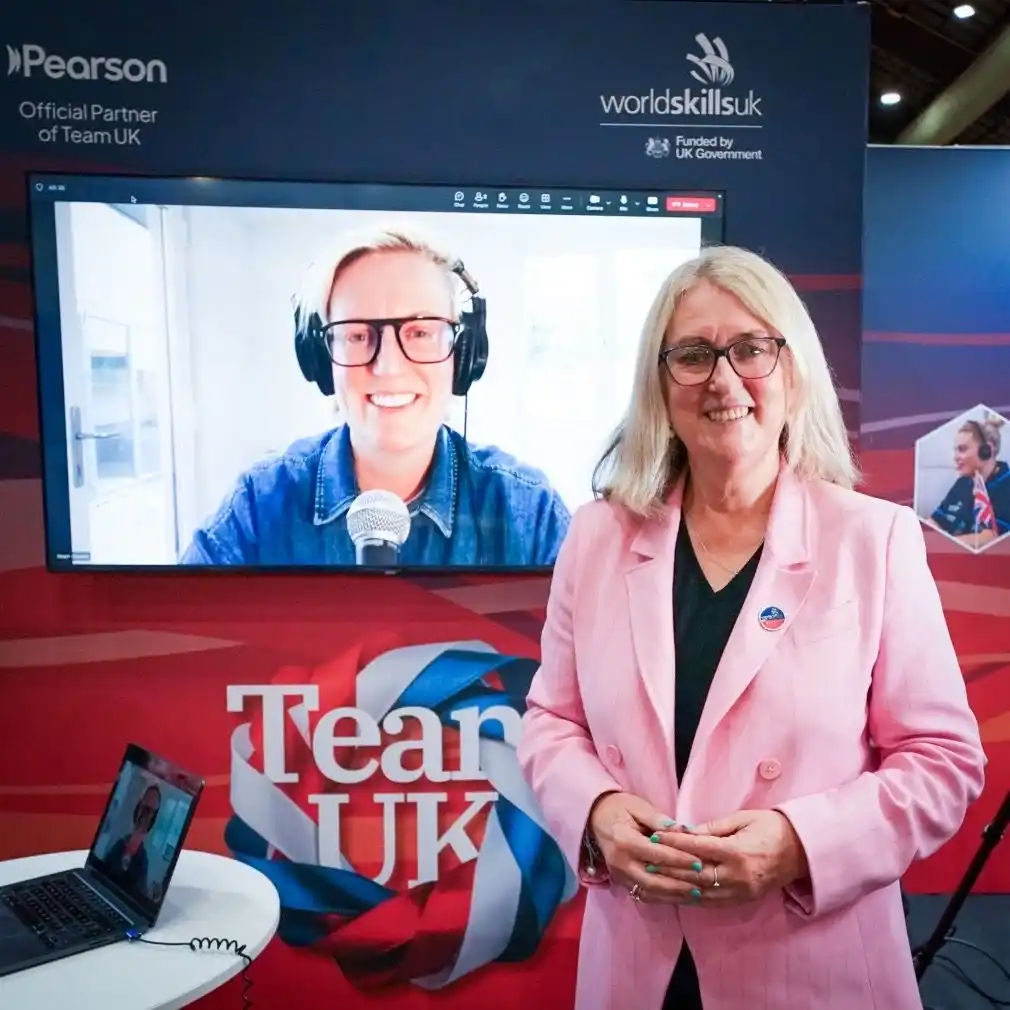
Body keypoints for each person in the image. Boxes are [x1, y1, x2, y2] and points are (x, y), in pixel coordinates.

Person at [517, 245, 986, 1010]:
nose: (724, 379)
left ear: (793, 371)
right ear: (659, 385)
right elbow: (550, 721)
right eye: (694, 355)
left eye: (751, 349)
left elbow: (942, 761)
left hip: (810, 960)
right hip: (641, 961)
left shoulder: (875, 539)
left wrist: (800, 846)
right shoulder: (596, 538)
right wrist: (596, 813)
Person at [180, 225, 570, 567]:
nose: (388, 367)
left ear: (464, 356)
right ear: (320, 360)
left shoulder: (528, 513)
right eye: (357, 334)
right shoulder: (259, 505)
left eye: (420, 332)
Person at [928, 414, 1010, 549]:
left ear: (987, 450)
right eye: (956, 450)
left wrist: (943, 545)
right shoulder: (962, 483)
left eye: (962, 449)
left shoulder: (1007, 486)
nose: (955, 458)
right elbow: (935, 522)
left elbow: (992, 538)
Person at [103, 783, 161, 900]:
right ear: (138, 807)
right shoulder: (118, 844)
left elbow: (138, 897)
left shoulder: (143, 862)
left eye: (149, 811)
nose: (145, 814)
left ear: (153, 818)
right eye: (144, 807)